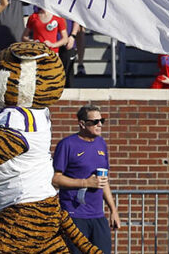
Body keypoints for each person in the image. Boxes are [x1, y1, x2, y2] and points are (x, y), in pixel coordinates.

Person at [52, 104, 121, 254]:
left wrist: (113, 210)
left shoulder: (101, 144)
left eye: (101, 120)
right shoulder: (67, 144)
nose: (100, 125)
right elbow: (55, 179)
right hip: (74, 215)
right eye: (95, 122)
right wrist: (85, 183)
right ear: (82, 124)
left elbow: (104, 181)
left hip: (97, 215)